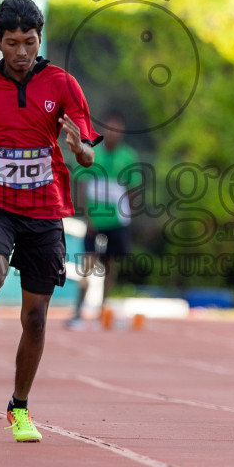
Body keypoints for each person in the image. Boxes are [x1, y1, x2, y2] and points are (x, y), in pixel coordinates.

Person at [0, 0, 99, 443]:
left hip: (44, 207)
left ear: (39, 39)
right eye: (13, 43)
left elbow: (85, 146)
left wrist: (82, 151)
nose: (23, 52)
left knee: (37, 319)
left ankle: (19, 407)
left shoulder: (63, 84)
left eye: (30, 42)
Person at [70, 111, 136, 329]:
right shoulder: (92, 153)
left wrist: (128, 215)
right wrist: (86, 216)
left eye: (116, 130)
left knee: (110, 265)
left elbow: (133, 188)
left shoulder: (128, 157)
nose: (112, 133)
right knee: (87, 264)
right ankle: (79, 310)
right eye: (109, 128)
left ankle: (101, 310)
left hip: (117, 220)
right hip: (94, 220)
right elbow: (81, 185)